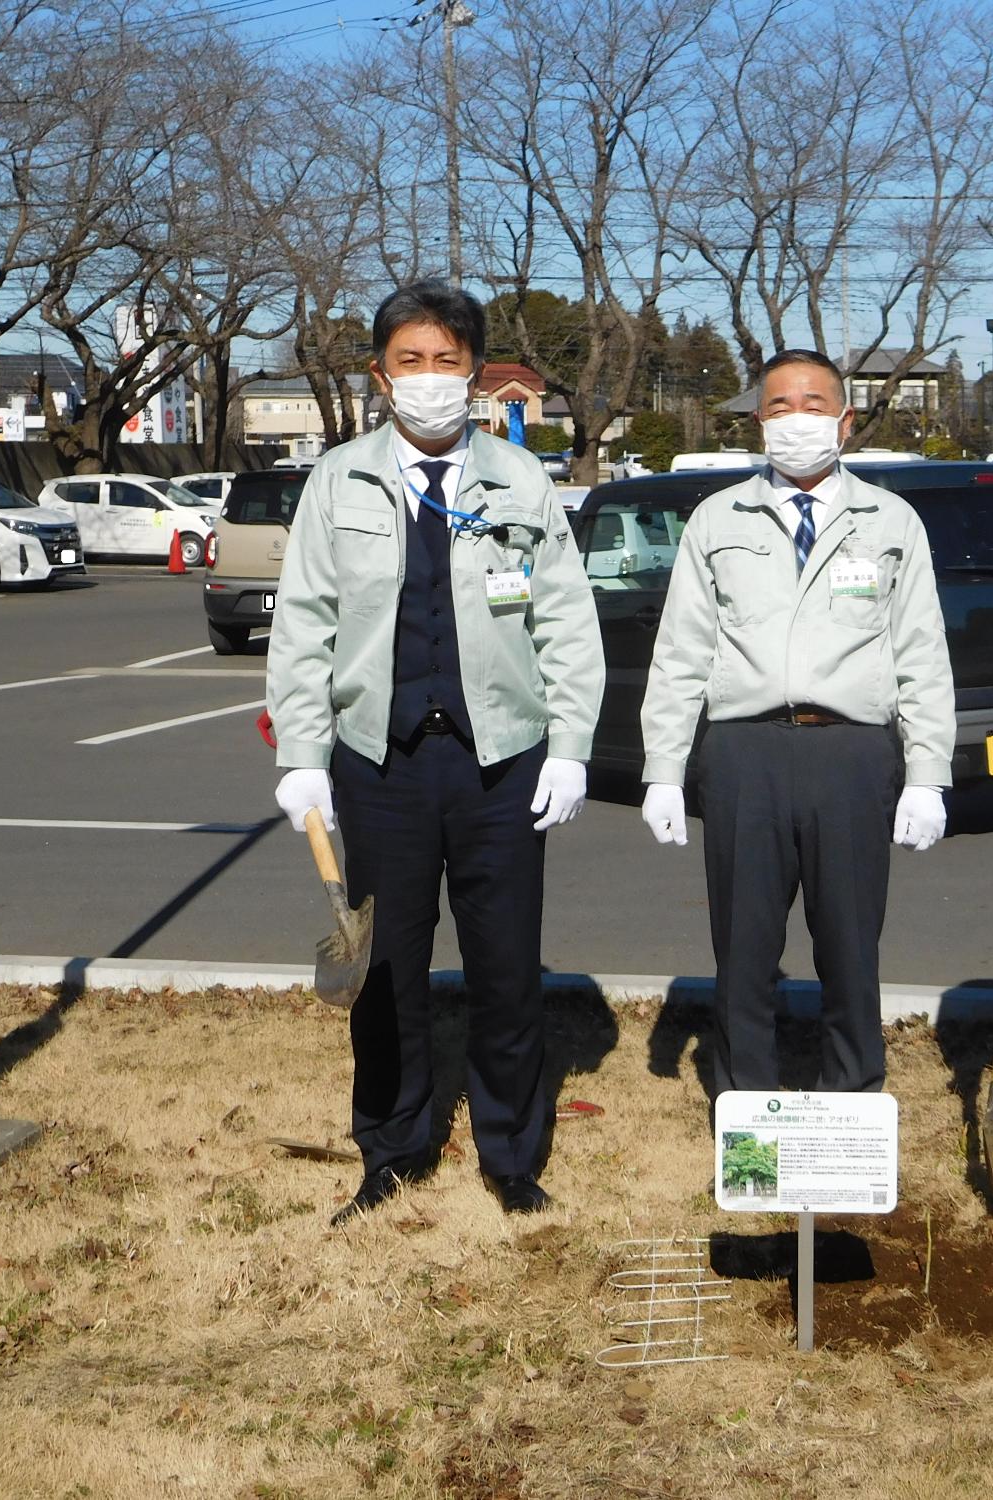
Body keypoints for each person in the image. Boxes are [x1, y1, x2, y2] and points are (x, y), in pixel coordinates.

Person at [266, 280, 603, 1224]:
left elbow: (567, 622)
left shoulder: (519, 479)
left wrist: (570, 748)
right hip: (379, 762)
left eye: (447, 362)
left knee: (506, 966)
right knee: (385, 969)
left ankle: (511, 1152)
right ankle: (392, 1146)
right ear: (380, 375)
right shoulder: (340, 479)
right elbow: (303, 625)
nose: (429, 379)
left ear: (476, 373)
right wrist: (303, 754)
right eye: (409, 362)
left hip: (502, 761)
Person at [638, 349, 955, 1097]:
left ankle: (850, 1104)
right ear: (758, 423)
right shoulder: (718, 520)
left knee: (850, 950)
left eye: (814, 405)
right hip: (745, 754)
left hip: (851, 755)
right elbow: (682, 650)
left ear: (844, 420)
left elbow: (922, 656)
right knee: (744, 951)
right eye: (780, 407)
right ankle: (745, 1109)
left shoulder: (891, 522)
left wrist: (928, 775)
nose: (797, 421)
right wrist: (661, 768)